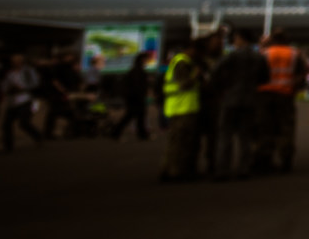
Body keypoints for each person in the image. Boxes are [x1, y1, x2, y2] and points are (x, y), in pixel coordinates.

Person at [206, 29, 268, 180]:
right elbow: (265, 78)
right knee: (245, 136)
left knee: (225, 135)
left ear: (240, 39)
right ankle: (244, 168)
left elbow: (215, 73)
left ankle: (222, 170)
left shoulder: (231, 56)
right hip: (250, 99)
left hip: (230, 99)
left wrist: (221, 88)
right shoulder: (259, 57)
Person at [254, 32, 300, 173]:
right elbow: (301, 75)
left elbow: (256, 74)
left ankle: (265, 160)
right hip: (285, 94)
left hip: (264, 95)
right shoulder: (294, 54)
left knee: (265, 127)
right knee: (286, 128)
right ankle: (286, 160)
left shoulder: (264, 53)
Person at [159, 43, 202, 181]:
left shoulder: (178, 61)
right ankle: (176, 172)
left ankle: (169, 171)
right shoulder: (183, 63)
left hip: (178, 107)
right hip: (182, 107)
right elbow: (184, 84)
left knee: (175, 142)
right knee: (180, 143)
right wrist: (195, 75)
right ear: (191, 49)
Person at [0, 53, 43, 152]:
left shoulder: (28, 71)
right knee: (6, 124)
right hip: (12, 101)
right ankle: (8, 147)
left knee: (24, 123)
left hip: (25, 99)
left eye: (17, 61)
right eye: (13, 61)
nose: (15, 63)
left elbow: (35, 83)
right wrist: (7, 89)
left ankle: (38, 136)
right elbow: (4, 85)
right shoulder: (10, 73)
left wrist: (23, 88)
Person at [112, 52, 152, 141]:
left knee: (136, 116)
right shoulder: (138, 71)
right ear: (142, 60)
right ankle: (116, 133)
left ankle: (142, 134)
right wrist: (141, 95)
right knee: (132, 115)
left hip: (133, 97)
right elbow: (137, 85)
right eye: (146, 59)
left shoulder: (135, 70)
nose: (147, 61)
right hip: (135, 97)